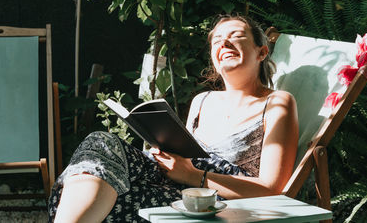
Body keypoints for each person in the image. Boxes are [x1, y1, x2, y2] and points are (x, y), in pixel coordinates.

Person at [49, 14, 298, 223]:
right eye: (218, 41)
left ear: (262, 51)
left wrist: (192, 176)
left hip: (216, 199)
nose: (225, 43)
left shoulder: (277, 102)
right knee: (100, 150)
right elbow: (184, 157)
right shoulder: (203, 100)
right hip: (178, 187)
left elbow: (272, 188)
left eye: (237, 36)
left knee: (111, 194)